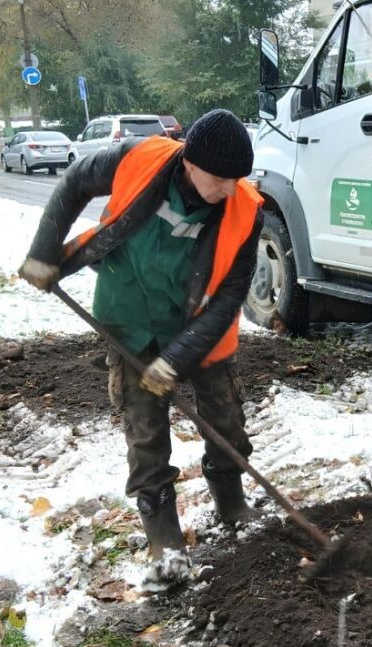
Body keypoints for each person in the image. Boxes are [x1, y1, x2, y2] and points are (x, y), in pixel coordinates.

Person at [19, 109, 265, 565]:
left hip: (201, 326)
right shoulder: (140, 158)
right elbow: (75, 181)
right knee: (146, 429)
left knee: (226, 419)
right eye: (221, 178)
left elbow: (231, 298)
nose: (229, 189)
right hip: (130, 316)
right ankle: (164, 540)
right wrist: (43, 252)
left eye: (237, 179)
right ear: (190, 162)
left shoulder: (245, 209)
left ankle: (231, 505)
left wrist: (176, 359)